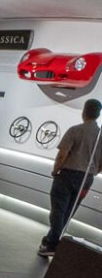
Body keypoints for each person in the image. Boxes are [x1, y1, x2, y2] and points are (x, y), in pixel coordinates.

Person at [38, 99, 102, 257]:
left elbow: (62, 154)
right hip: (86, 180)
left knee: (58, 211)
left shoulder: (75, 130)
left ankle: (52, 244)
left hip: (67, 176)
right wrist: (92, 173)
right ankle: (49, 240)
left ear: (84, 112)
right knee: (68, 212)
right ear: (98, 114)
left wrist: (55, 171)